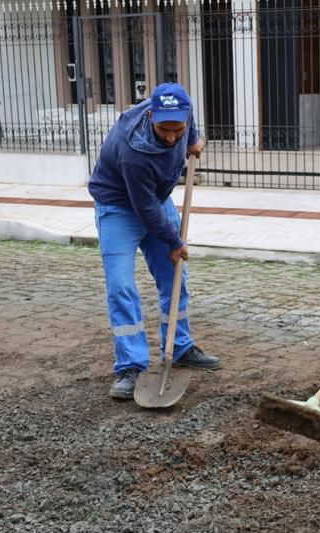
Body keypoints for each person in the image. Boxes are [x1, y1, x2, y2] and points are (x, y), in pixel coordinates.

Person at [88, 82, 221, 400]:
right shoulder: (133, 148)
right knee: (121, 286)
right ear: (151, 116)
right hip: (119, 206)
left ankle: (179, 346)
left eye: (179, 129)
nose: (172, 136)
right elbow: (144, 208)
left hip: (155, 201)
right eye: (165, 130)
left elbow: (186, 127)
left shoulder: (181, 115)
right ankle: (130, 366)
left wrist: (193, 140)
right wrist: (174, 240)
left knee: (175, 276)